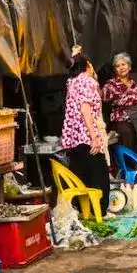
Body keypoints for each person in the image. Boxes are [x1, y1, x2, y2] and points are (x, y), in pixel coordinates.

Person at [61, 47, 109, 204]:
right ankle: (100, 210)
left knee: (81, 174)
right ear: (88, 64)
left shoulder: (72, 82)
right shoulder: (87, 82)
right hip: (86, 135)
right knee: (99, 174)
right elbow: (85, 108)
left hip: (74, 137)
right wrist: (93, 137)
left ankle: (83, 210)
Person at [101, 53, 137, 170]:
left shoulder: (134, 82)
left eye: (124, 64)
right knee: (127, 135)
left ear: (129, 66)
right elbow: (102, 98)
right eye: (118, 66)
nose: (121, 67)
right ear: (115, 69)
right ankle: (131, 168)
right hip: (122, 118)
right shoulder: (111, 84)